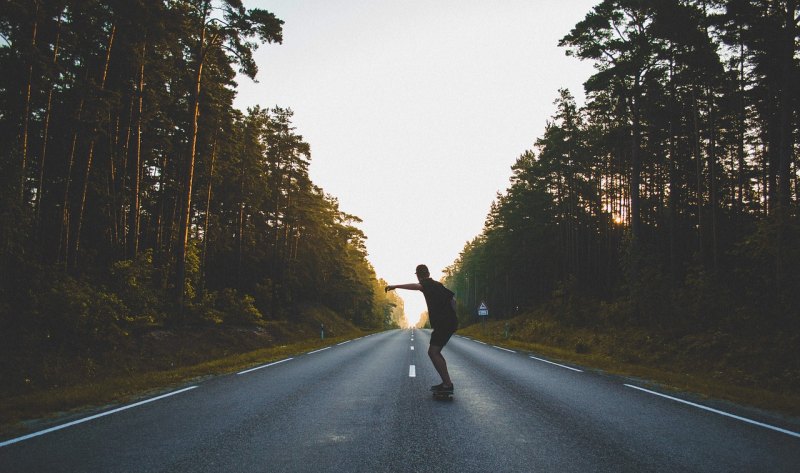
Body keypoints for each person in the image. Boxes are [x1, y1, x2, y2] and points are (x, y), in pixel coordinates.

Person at [385, 264, 458, 394]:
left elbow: (416, 286)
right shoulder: (438, 285)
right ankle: (446, 382)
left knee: (433, 352)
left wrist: (395, 286)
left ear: (418, 276)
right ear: (428, 273)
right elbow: (453, 301)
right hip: (449, 322)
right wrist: (453, 317)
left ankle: (447, 384)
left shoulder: (426, 284)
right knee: (436, 352)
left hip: (443, 323)